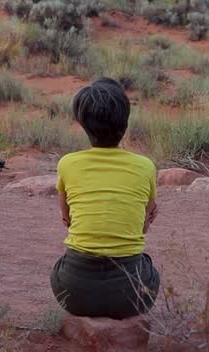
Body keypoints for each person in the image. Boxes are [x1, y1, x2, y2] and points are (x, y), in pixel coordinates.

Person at [51, 78, 160, 319]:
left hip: (73, 292)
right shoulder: (145, 167)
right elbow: (143, 224)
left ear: (82, 124)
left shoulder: (67, 164)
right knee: (149, 266)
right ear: (126, 122)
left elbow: (66, 219)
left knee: (61, 265)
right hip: (132, 295)